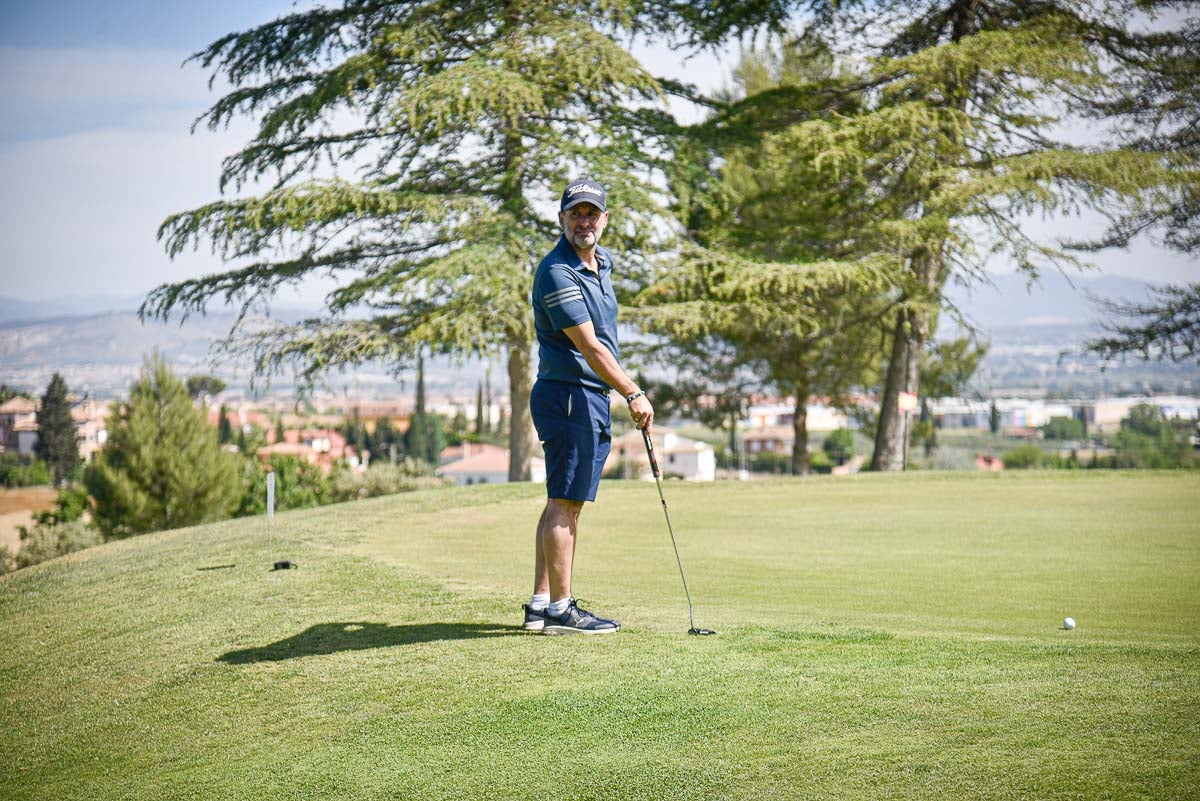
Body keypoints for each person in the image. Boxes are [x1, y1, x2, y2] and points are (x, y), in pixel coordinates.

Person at [523, 177, 654, 635]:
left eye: (591, 213)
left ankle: (541, 604)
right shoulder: (558, 271)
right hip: (570, 396)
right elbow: (592, 348)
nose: (584, 221)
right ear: (561, 219)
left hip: (584, 396)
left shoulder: (601, 263)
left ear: (604, 219)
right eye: (575, 213)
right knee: (566, 504)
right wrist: (633, 392)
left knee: (560, 499)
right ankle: (561, 610)